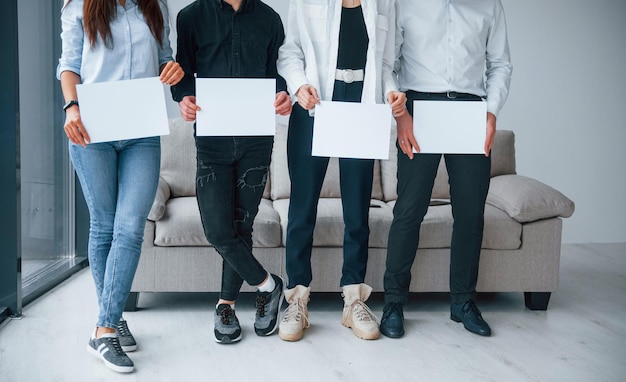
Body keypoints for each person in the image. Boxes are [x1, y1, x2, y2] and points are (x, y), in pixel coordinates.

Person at [57, 0, 183, 373]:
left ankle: (105, 326)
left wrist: (170, 69)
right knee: (104, 225)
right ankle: (109, 322)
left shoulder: (155, 5)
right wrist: (72, 108)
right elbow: (69, 65)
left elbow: (164, 58)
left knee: (130, 227)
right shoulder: (79, 5)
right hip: (91, 129)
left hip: (141, 130)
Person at [379, 0, 513, 338]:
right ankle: (393, 303)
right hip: (418, 107)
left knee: (470, 213)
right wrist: (400, 113)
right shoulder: (404, 3)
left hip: (471, 109)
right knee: (409, 211)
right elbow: (387, 63)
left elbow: (499, 63)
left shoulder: (489, 6)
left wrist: (492, 111)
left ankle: (463, 303)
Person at [276, 0, 406, 342]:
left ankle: (353, 299)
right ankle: (297, 299)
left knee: (357, 211)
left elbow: (388, 62)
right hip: (314, 104)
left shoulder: (385, 3)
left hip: (362, 106)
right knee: (302, 208)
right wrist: (299, 83)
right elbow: (290, 51)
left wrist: (391, 91)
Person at [171, 0, 292, 344]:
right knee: (218, 230)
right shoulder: (191, 17)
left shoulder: (270, 19)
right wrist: (184, 97)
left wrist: (282, 93)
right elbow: (183, 73)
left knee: (242, 226)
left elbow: (275, 72)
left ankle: (226, 305)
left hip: (256, 139)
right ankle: (269, 285)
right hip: (212, 138)